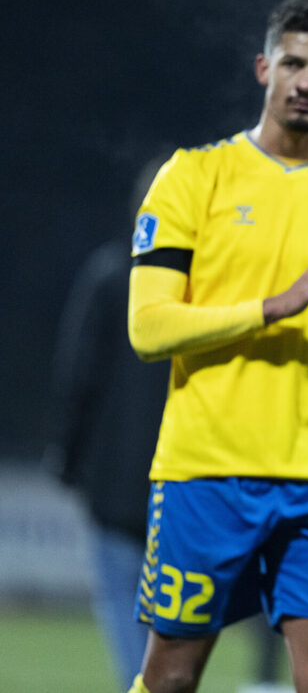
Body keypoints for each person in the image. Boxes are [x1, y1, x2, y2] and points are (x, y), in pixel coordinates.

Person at [125, 0, 308, 693]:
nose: (306, 81)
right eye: (293, 63)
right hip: (204, 470)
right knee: (173, 674)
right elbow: (148, 326)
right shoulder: (193, 176)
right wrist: (273, 308)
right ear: (263, 69)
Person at [47, 158, 169, 689]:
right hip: (182, 485)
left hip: (114, 487)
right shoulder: (209, 291)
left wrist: (68, 458)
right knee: (169, 624)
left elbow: (78, 377)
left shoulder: (110, 275)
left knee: (124, 612)